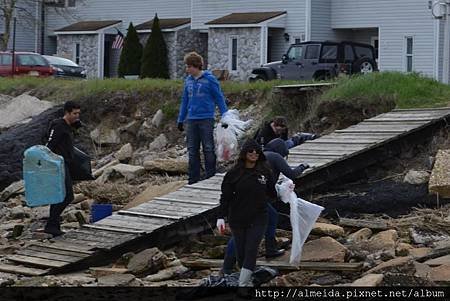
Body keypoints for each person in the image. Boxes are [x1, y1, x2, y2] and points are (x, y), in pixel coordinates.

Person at [221, 138, 310, 275]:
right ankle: (228, 266)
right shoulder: (275, 156)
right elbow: (291, 174)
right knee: (241, 236)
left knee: (271, 217)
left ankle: (270, 249)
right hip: (252, 203)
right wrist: (303, 166)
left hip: (249, 201)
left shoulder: (262, 159)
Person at [216, 139, 277, 287]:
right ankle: (246, 276)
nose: (254, 154)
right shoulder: (233, 174)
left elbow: (272, 193)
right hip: (237, 217)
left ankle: (243, 285)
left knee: (251, 249)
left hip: (259, 217)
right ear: (244, 153)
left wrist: (285, 190)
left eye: (257, 151)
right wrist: (220, 217)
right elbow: (225, 197)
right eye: (251, 151)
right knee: (241, 252)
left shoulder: (265, 172)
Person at [177, 52, 228, 184]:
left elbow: (219, 97)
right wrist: (181, 119)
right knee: (192, 150)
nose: (187, 69)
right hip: (191, 119)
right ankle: (193, 178)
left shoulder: (210, 79)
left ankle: (210, 176)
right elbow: (185, 100)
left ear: (196, 66)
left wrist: (225, 116)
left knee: (208, 148)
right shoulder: (188, 81)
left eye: (189, 66)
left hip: (206, 118)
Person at [44, 101, 81, 237]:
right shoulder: (59, 125)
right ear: (67, 112)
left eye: (78, 113)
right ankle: (51, 224)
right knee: (67, 196)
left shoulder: (68, 126)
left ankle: (53, 225)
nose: (77, 116)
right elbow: (49, 144)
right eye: (74, 113)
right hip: (58, 164)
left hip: (66, 163)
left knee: (60, 195)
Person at [254, 116, 318, 149]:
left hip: (280, 146)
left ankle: (311, 136)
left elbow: (285, 139)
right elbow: (262, 145)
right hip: (268, 148)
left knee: (295, 138)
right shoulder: (264, 131)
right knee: (291, 142)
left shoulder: (283, 129)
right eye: (279, 130)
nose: (280, 132)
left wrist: (283, 133)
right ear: (275, 125)